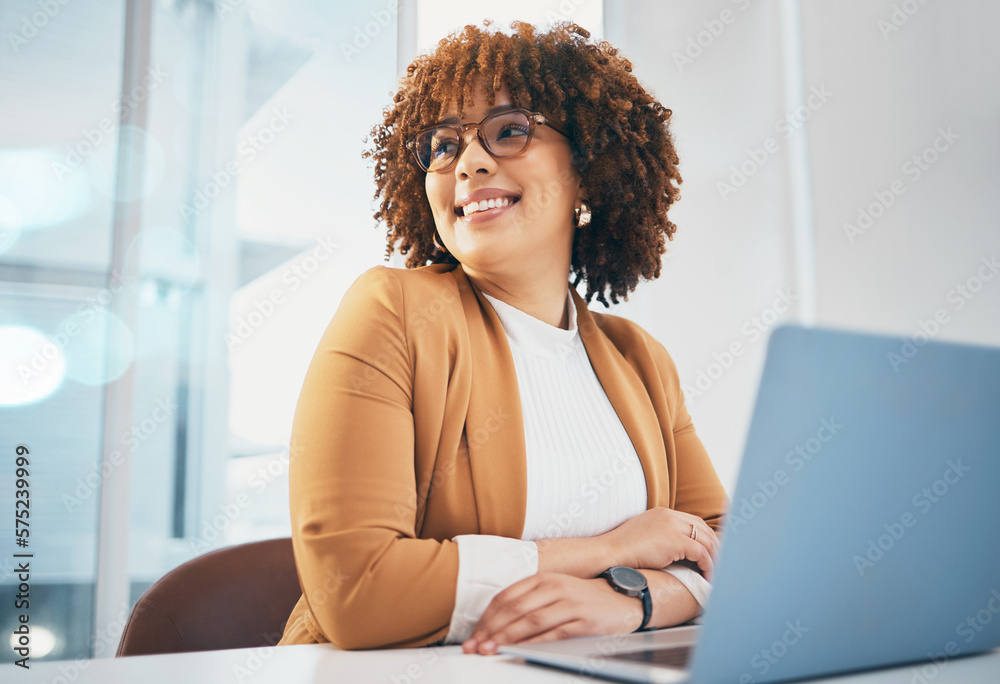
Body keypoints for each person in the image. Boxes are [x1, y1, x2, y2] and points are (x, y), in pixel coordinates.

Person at [277, 20, 728, 655]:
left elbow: (730, 552)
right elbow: (358, 588)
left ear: (589, 172)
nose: (470, 162)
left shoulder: (639, 360)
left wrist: (629, 600)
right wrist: (609, 553)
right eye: (442, 145)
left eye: (509, 131)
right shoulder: (392, 313)